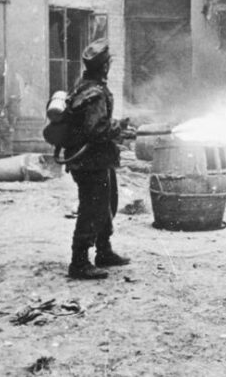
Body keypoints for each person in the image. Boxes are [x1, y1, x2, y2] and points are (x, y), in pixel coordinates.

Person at [64, 38, 130, 280]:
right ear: (104, 67)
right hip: (90, 162)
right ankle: (79, 262)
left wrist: (115, 127)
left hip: (96, 160)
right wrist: (116, 128)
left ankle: (104, 251)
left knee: (107, 203)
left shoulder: (83, 86)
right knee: (92, 208)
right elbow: (96, 131)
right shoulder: (95, 93)